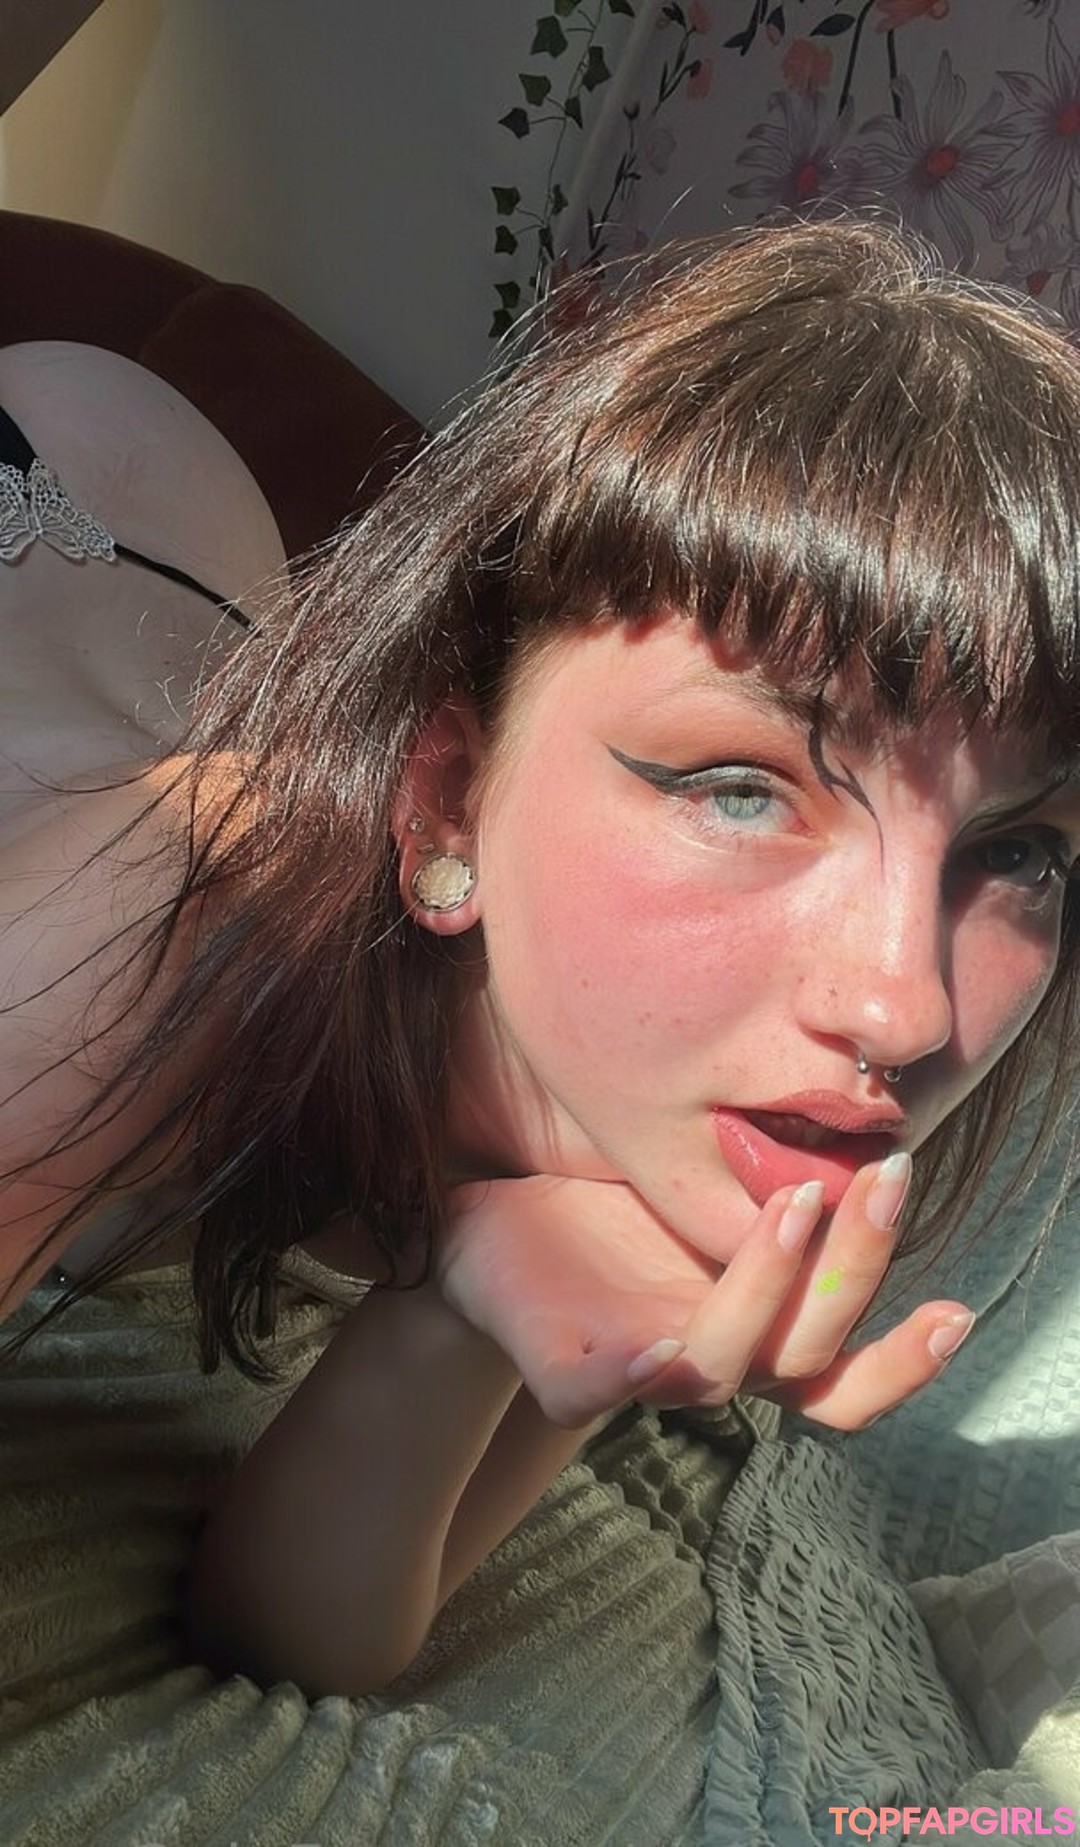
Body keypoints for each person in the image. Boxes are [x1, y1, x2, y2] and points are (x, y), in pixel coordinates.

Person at [2, 219, 1080, 1705]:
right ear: (447, 794)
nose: (901, 1007)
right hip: (70, 466)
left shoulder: (648, 1101)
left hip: (184, 570)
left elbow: (298, 1636)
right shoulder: (144, 927)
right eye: (740, 789)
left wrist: (452, 1309)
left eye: (1021, 856)